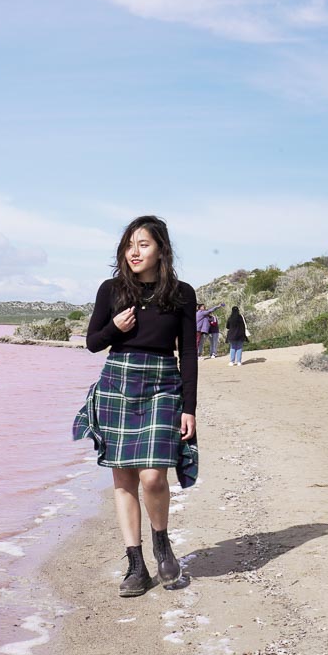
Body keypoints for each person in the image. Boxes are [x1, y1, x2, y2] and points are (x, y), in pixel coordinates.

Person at [73, 215, 199, 597]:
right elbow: (94, 342)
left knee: (153, 477)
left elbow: (189, 354)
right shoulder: (111, 289)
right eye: (129, 244)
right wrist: (116, 328)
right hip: (118, 382)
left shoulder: (181, 293)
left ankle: (162, 546)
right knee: (124, 477)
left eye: (143, 244)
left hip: (163, 385)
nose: (134, 252)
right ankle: (135, 565)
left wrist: (189, 407)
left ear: (161, 249)